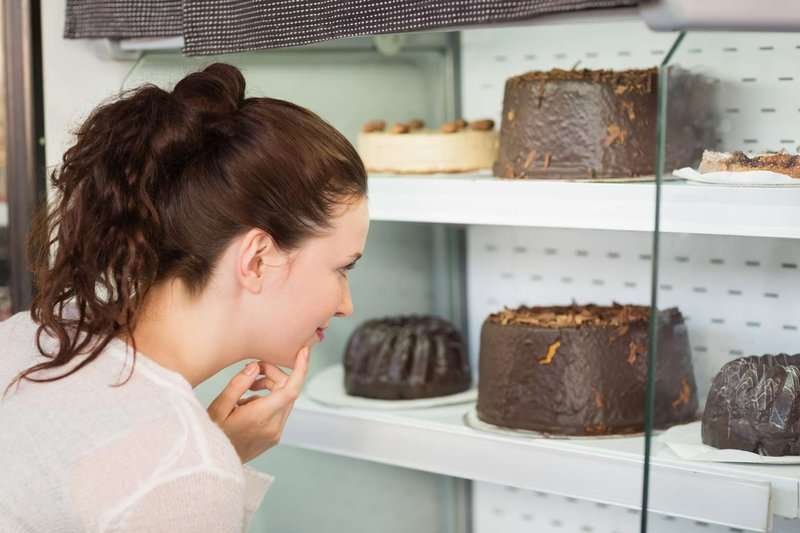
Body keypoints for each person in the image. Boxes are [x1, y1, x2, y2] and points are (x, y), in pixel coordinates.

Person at [0, 63, 369, 532]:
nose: (346, 305)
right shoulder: (183, 468)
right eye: (342, 268)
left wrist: (214, 452)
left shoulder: (33, 333)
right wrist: (204, 462)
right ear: (257, 260)